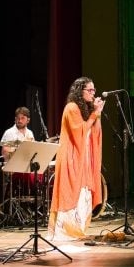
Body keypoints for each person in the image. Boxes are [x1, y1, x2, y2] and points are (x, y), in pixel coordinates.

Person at [46, 77, 104, 241]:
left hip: (84, 159)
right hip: (72, 158)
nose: (93, 93)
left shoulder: (85, 109)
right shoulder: (71, 107)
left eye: (94, 90)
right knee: (72, 193)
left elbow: (95, 133)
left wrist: (97, 114)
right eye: (90, 90)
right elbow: (80, 132)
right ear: (80, 91)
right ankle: (66, 232)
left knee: (84, 194)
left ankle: (78, 231)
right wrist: (95, 113)